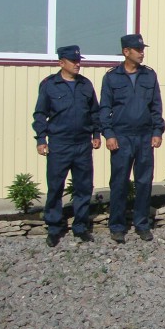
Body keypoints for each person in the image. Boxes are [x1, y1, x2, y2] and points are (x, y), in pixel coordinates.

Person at [32, 45, 102, 247]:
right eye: (73, 61)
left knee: (83, 187)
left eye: (79, 61)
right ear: (61, 62)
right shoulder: (49, 85)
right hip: (59, 144)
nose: (78, 64)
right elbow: (40, 114)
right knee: (55, 187)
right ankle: (54, 228)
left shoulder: (85, 85)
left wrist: (96, 134)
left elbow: (94, 113)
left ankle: (80, 227)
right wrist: (41, 139)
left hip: (82, 144)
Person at [100, 34, 165, 243]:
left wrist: (157, 132)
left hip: (145, 136)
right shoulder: (111, 77)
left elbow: (156, 106)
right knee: (119, 182)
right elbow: (105, 109)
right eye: (137, 49)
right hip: (122, 137)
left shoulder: (149, 76)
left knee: (144, 182)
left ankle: (142, 224)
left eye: (142, 49)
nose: (141, 53)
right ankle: (117, 226)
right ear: (126, 52)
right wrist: (108, 134)